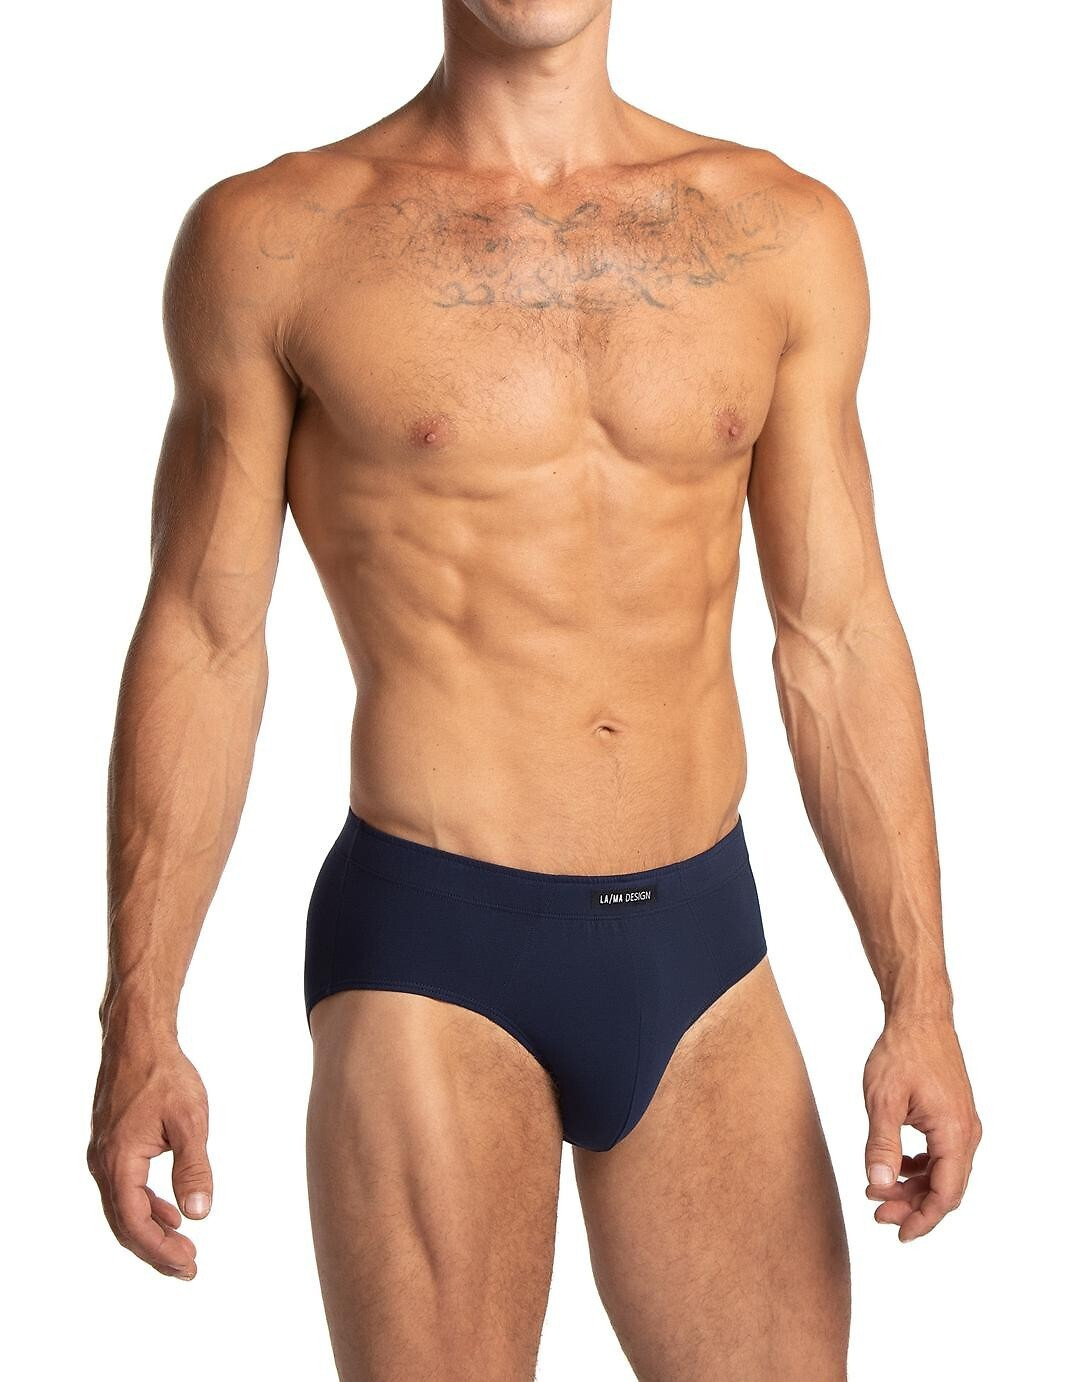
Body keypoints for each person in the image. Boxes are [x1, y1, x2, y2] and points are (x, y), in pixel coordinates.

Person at [87, 2, 982, 1377]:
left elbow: (839, 635)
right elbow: (206, 638)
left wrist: (921, 995)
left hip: (705, 946)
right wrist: (140, 1015)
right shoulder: (277, 239)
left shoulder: (778, 232)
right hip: (433, 946)